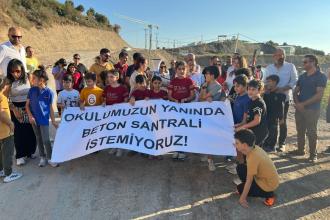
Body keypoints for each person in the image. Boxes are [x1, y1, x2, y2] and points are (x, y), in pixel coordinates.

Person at [292, 55, 327, 162]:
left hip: (312, 109)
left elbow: (319, 95)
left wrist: (303, 104)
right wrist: (298, 104)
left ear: (313, 62)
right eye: (303, 62)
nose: (304, 64)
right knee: (300, 130)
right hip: (300, 109)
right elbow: (295, 91)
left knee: (312, 132)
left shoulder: (320, 76)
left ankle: (313, 155)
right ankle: (300, 150)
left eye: (305, 62)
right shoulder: (302, 76)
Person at [234, 129, 279, 208]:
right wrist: (237, 147)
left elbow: (249, 180)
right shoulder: (254, 148)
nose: (235, 144)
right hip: (263, 178)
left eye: (237, 143)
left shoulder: (253, 157)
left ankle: (270, 195)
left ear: (244, 145)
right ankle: (251, 188)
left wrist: (242, 199)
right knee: (240, 168)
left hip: (268, 185)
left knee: (239, 189)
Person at [264, 48, 298, 152]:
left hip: (284, 98)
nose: (279, 57)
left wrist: (282, 89)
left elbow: (295, 80)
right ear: (273, 56)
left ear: (284, 56)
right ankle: (269, 142)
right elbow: (264, 81)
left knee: (282, 121)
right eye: (277, 55)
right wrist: (268, 88)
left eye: (281, 55)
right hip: (269, 99)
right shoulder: (269, 68)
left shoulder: (290, 66)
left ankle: (282, 143)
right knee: (270, 120)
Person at [5, 59, 36, 166]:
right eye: (12, 71)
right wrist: (13, 109)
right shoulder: (8, 81)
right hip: (16, 108)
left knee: (31, 130)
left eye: (18, 71)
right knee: (19, 132)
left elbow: (34, 90)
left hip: (29, 106)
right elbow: (4, 98)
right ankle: (20, 155)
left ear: (22, 69)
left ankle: (30, 152)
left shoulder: (28, 77)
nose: (15, 74)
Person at [26, 68, 59, 167]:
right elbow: (27, 105)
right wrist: (30, 116)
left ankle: (50, 157)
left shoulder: (49, 92)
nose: (32, 80)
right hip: (34, 120)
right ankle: (42, 157)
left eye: (34, 78)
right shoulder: (31, 90)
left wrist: (53, 121)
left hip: (44, 119)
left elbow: (51, 108)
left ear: (41, 80)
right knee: (38, 138)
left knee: (46, 139)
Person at [199, 65, 226, 171]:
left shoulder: (217, 86)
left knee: (211, 137)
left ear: (213, 75)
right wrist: (204, 90)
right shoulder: (205, 84)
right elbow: (201, 98)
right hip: (205, 115)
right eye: (205, 73)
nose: (205, 75)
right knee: (206, 136)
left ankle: (211, 160)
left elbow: (204, 97)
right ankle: (207, 155)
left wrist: (204, 93)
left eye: (207, 74)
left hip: (214, 117)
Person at [168, 61, 195, 161]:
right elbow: (169, 95)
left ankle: (183, 151)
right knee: (175, 129)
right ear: (176, 70)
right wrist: (174, 100)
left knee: (184, 130)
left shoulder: (189, 81)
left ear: (186, 69)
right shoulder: (173, 81)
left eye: (183, 69)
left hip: (186, 109)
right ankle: (175, 150)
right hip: (174, 109)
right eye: (179, 69)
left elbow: (193, 95)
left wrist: (186, 99)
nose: (181, 71)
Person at [226, 75, 251, 174]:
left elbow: (245, 120)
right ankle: (238, 164)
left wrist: (238, 126)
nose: (235, 88)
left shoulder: (247, 99)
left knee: (240, 148)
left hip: (240, 128)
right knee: (237, 147)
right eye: (234, 86)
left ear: (245, 86)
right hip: (236, 125)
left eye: (238, 86)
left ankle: (239, 168)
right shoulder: (239, 96)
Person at [0, 77, 23, 183]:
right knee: (7, 153)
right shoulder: (1, 97)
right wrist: (10, 123)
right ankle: (8, 174)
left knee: (1, 152)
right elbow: (2, 113)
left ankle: (1, 170)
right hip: (5, 131)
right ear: (5, 85)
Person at [102, 70, 129, 157]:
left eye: (111, 77)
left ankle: (120, 148)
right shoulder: (106, 88)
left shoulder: (123, 88)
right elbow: (103, 98)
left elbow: (126, 101)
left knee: (119, 131)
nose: (109, 79)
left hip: (120, 114)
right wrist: (103, 102)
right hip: (110, 114)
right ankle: (114, 146)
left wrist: (118, 106)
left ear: (117, 78)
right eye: (108, 77)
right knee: (112, 130)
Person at [235, 80, 268, 147]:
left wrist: (242, 127)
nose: (250, 91)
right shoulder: (250, 101)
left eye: (253, 90)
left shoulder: (258, 103)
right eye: (249, 89)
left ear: (259, 91)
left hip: (259, 132)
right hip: (251, 131)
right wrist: (237, 125)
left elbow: (256, 121)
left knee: (251, 152)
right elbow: (244, 121)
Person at [263, 75, 286, 152]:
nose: (267, 83)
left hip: (274, 117)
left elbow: (281, 106)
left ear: (274, 82)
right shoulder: (266, 93)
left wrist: (282, 118)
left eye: (269, 81)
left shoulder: (280, 93)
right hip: (267, 116)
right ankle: (265, 144)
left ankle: (272, 146)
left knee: (273, 130)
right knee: (266, 130)